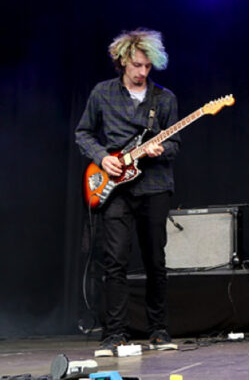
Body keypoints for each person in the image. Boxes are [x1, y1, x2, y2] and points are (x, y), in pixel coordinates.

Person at [75, 28, 180, 355]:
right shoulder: (102, 94)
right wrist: (103, 159)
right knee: (114, 262)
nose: (142, 72)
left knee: (155, 260)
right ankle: (114, 334)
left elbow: (175, 144)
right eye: (136, 65)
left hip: (154, 187)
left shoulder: (164, 99)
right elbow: (83, 134)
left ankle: (159, 331)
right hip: (115, 189)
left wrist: (161, 150)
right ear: (122, 61)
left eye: (147, 67)